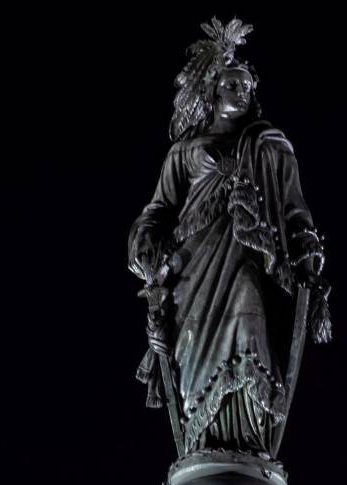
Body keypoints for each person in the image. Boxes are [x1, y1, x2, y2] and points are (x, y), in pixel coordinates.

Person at [129, 18, 330, 458]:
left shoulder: (270, 145)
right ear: (212, 91)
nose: (241, 92)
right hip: (192, 268)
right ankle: (201, 443)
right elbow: (158, 210)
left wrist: (306, 248)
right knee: (192, 352)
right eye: (231, 84)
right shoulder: (184, 151)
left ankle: (250, 441)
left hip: (251, 257)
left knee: (250, 307)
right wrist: (146, 248)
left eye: (246, 86)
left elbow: (295, 208)